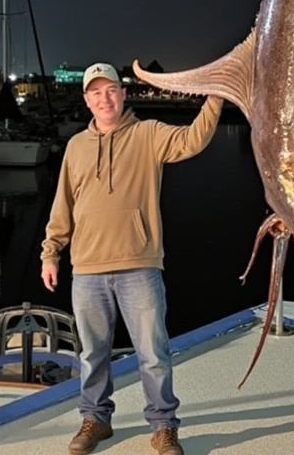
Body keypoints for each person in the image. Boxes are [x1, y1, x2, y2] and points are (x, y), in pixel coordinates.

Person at [40, 62, 223, 455]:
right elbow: (63, 207)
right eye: (96, 93)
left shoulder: (149, 134)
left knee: (153, 353)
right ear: (87, 100)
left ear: (123, 95)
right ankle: (95, 420)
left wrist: (215, 97)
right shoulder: (75, 147)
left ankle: (162, 426)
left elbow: (193, 140)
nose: (104, 99)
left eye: (111, 91)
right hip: (87, 268)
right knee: (92, 354)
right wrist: (50, 253)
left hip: (139, 263)